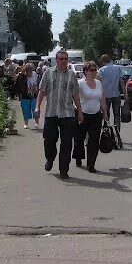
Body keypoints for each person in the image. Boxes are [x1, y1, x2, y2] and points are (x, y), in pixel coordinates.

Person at [35, 50, 82, 179]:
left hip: (67, 113)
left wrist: (80, 111)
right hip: (51, 113)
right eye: (61, 59)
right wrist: (37, 107)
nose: (63, 61)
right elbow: (42, 91)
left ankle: (64, 170)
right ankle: (50, 158)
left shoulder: (72, 75)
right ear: (56, 60)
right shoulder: (48, 73)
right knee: (49, 140)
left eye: (65, 59)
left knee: (67, 143)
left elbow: (76, 94)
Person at [74, 61, 108, 172]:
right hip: (82, 114)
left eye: (95, 70)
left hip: (96, 115)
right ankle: (78, 157)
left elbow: (102, 98)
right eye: (91, 70)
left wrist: (105, 112)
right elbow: (75, 98)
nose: (94, 72)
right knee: (79, 139)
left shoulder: (98, 83)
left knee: (94, 140)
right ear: (85, 72)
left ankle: (91, 164)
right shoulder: (80, 83)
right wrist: (79, 112)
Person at [97, 55, 127, 149]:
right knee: (117, 115)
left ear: (103, 61)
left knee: (106, 115)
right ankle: (117, 134)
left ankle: (107, 134)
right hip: (116, 95)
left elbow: (98, 83)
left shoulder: (102, 70)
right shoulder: (118, 68)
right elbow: (122, 83)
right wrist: (125, 95)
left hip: (105, 96)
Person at [17, 63, 39, 129]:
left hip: (34, 94)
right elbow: (18, 83)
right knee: (25, 110)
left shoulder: (35, 74)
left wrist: (36, 89)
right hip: (25, 95)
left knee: (35, 109)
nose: (29, 71)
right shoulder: (22, 76)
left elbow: (38, 82)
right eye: (28, 70)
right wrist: (22, 73)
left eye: (30, 69)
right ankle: (26, 123)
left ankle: (36, 122)